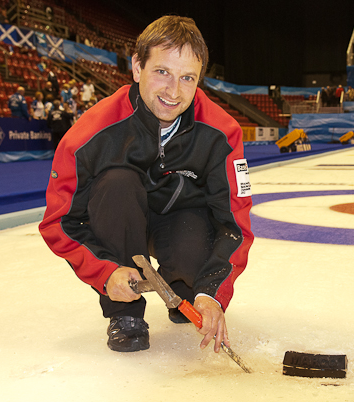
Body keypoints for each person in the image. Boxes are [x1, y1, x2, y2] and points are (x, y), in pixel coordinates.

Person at [39, 15, 254, 354]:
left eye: (187, 78)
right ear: (138, 67)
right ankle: (125, 315)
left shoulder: (222, 133)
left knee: (198, 263)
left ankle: (187, 291)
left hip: (179, 221)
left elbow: (235, 225)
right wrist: (104, 272)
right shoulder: (88, 136)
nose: (174, 91)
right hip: (120, 217)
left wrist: (212, 291)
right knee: (116, 182)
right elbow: (59, 221)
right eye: (162, 72)